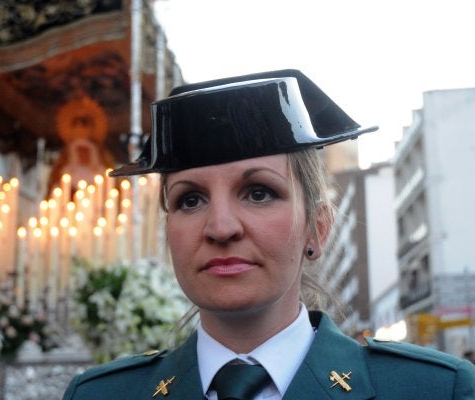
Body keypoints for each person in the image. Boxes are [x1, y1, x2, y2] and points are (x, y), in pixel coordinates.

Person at [63, 69, 475, 399]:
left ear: (319, 226)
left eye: (259, 193)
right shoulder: (103, 394)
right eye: (190, 200)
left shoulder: (434, 389)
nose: (221, 228)